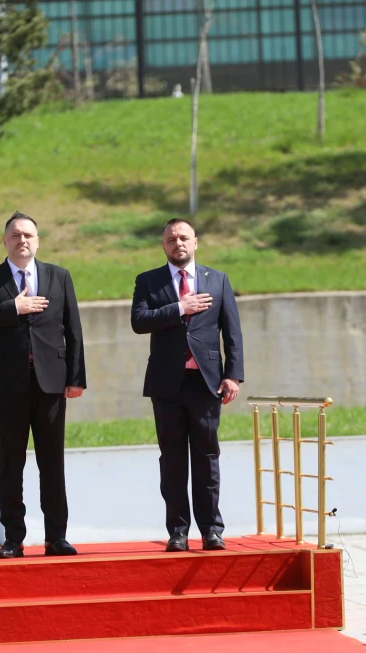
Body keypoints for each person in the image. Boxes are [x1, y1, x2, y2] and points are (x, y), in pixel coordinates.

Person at [0, 212, 86, 559]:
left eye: (29, 235)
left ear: (38, 241)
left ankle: (56, 536)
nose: (22, 240)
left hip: (51, 383)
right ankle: (12, 537)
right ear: (4, 241)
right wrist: (12, 307)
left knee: (52, 462)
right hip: (8, 384)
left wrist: (76, 378)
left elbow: (73, 329)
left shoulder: (59, 276)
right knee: (11, 462)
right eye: (15, 235)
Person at [130, 218, 244, 552]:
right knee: (173, 458)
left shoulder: (217, 280)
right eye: (170, 239)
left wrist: (233, 375)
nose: (177, 243)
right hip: (167, 385)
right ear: (163, 245)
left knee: (207, 456)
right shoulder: (148, 281)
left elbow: (232, 331)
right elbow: (139, 322)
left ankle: (212, 529)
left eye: (183, 238)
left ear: (195, 242)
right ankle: (178, 530)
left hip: (206, 383)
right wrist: (181, 307)